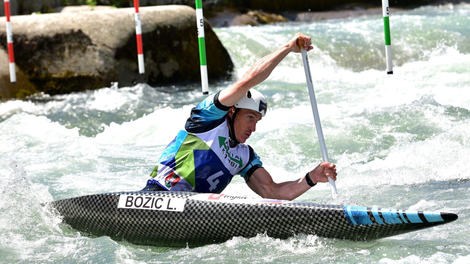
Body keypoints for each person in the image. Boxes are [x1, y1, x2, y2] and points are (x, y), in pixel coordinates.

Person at [144, 33, 337, 200]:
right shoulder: (207, 120)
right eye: (250, 118)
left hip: (195, 213)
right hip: (158, 194)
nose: (253, 128)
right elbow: (248, 80)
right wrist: (287, 48)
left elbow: (272, 192)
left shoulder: (244, 156)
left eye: (257, 121)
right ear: (232, 111)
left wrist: (312, 178)